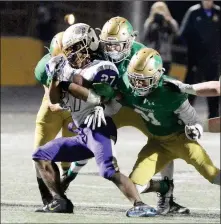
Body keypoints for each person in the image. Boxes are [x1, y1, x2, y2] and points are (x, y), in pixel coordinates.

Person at [63, 16, 189, 215]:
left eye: (118, 45)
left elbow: (156, 85)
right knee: (92, 132)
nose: (112, 50)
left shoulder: (141, 55)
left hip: (138, 105)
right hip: (114, 105)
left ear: (130, 41)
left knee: (164, 138)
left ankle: (167, 198)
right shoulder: (98, 52)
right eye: (108, 45)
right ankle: (69, 176)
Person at [32, 23, 156, 217]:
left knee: (108, 171)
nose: (71, 53)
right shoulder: (61, 67)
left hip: (100, 127)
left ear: (89, 44)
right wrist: (55, 79)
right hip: (82, 132)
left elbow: (89, 91)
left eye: (75, 47)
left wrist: (64, 79)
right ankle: (60, 200)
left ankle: (139, 204)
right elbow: (54, 99)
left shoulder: (102, 67)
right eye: (69, 49)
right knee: (40, 155)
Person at [93, 48, 220, 214]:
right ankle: (163, 187)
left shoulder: (170, 92)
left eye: (143, 81)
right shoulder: (127, 85)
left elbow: (194, 121)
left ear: (157, 77)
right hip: (157, 143)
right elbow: (115, 106)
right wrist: (102, 102)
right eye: (134, 79)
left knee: (212, 174)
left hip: (181, 140)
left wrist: (195, 129)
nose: (137, 85)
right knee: (134, 185)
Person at [34, 32, 75, 209]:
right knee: (40, 153)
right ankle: (49, 200)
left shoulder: (85, 62)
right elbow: (52, 102)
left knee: (69, 160)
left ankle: (60, 196)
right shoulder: (44, 67)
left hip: (75, 107)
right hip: (56, 107)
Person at [179, 0, 221, 118]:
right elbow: (183, 33)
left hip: (213, 59)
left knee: (214, 88)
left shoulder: (218, 12)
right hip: (195, 59)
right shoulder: (193, 12)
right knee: (191, 88)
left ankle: (214, 117)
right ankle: (185, 117)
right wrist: (192, 48)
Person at [142, 1, 179, 74]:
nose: (159, 12)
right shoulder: (149, 23)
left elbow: (176, 35)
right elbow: (145, 39)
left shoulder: (170, 22)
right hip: (152, 56)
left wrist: (167, 22)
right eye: (157, 10)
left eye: (161, 9)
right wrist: (153, 26)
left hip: (166, 57)